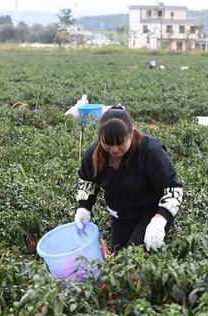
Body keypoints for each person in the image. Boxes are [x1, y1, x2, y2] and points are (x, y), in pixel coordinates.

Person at [73, 106, 183, 251]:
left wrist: (160, 220)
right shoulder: (93, 154)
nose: (114, 150)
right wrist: (84, 207)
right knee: (119, 258)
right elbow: (87, 180)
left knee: (134, 256)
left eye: (120, 143)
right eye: (108, 144)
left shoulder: (150, 152)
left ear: (131, 133)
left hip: (150, 212)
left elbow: (174, 189)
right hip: (121, 215)